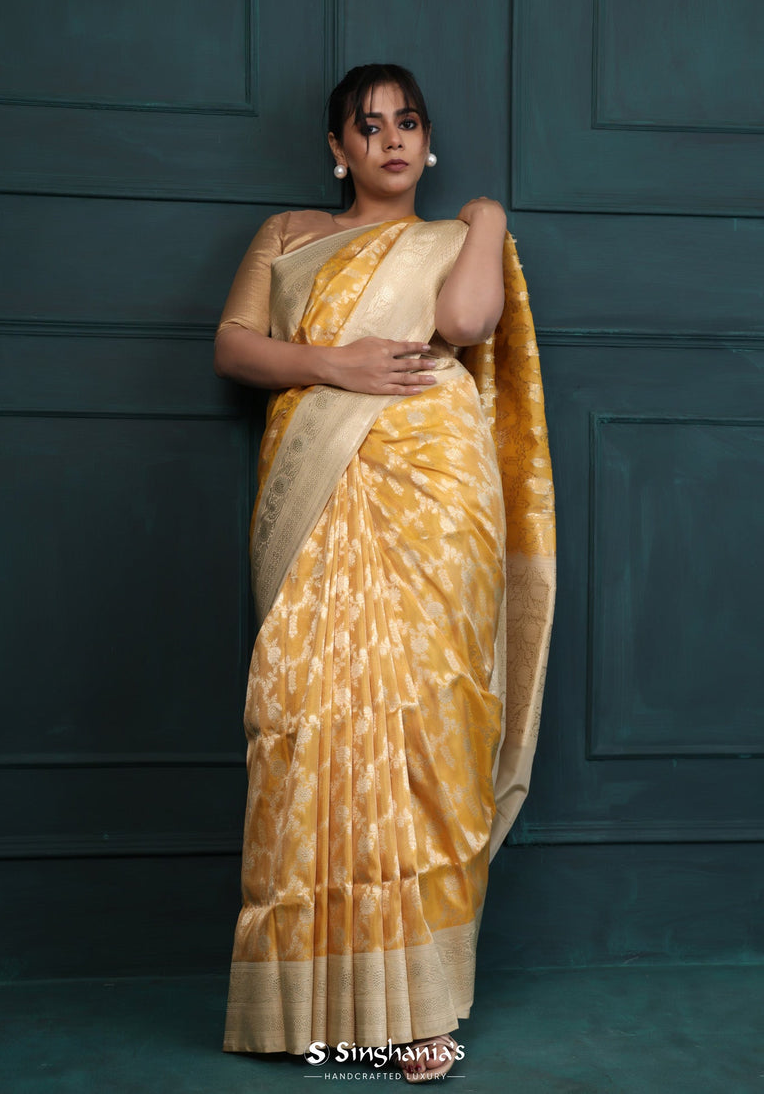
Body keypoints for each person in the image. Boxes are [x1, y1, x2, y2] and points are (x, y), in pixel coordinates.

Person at [214, 63, 555, 1081]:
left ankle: (419, 1008)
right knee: (308, 714)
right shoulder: (287, 235)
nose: (391, 139)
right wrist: (336, 362)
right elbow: (234, 346)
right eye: (367, 127)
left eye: (407, 122)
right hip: (318, 483)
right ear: (337, 148)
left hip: (432, 489)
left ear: (427, 138)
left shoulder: (454, 235)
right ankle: (314, 1004)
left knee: (423, 725)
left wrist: (487, 217)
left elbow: (468, 324)